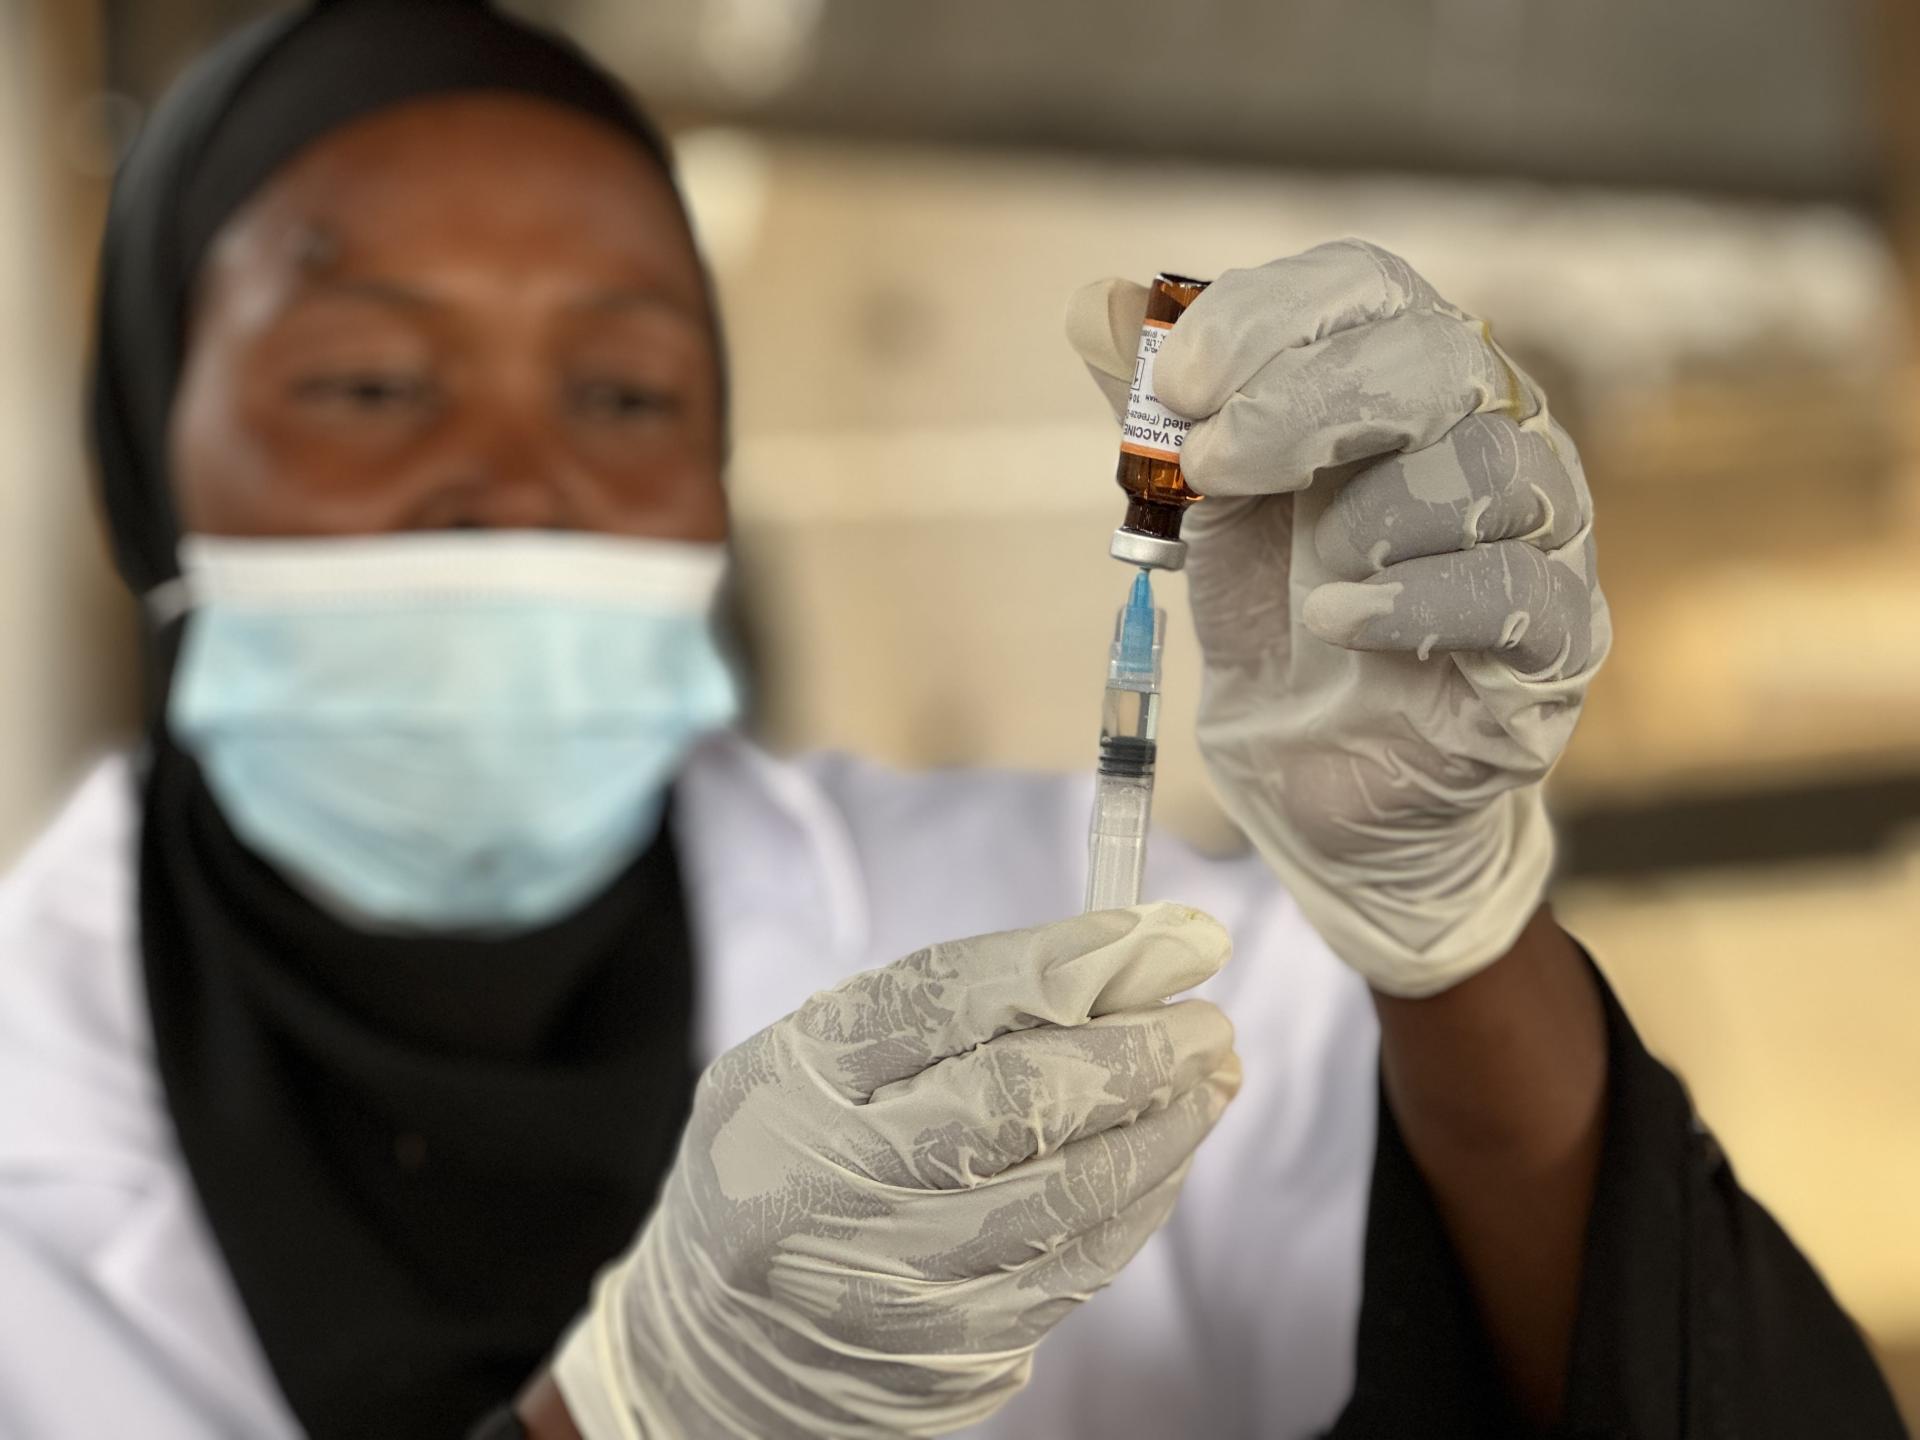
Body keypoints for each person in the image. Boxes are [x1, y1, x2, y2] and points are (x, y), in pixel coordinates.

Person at [0, 2, 1904, 1437]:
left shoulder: (1056, 946)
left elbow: (1660, 1365)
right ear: (140, 464)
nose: (517, 484)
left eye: (628, 398)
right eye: (366, 384)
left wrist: (1454, 925)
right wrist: (649, 1405)